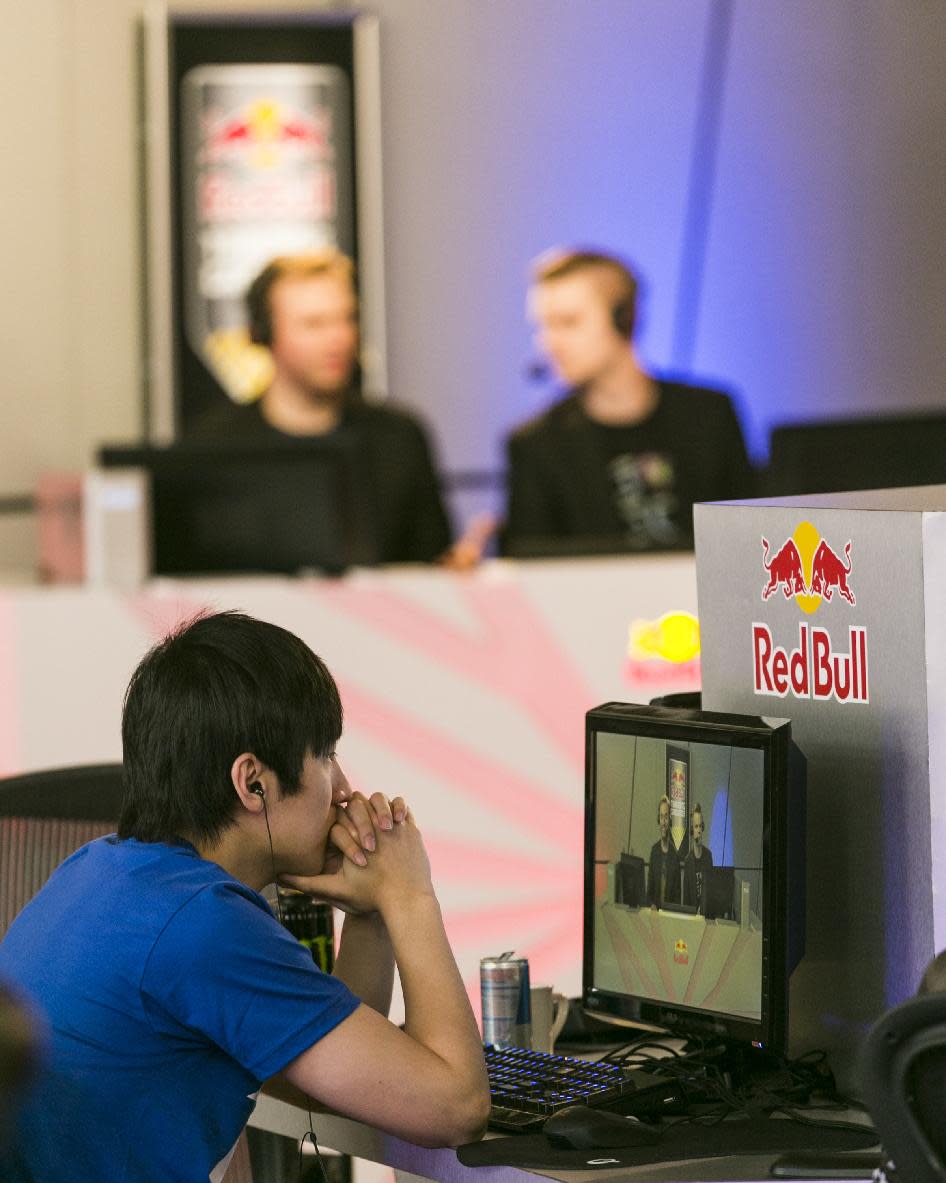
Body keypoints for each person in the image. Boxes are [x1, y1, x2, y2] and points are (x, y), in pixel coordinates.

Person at [0, 611, 489, 1182]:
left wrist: (368, 912)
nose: (344, 788)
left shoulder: (101, 871)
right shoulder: (205, 925)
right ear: (253, 782)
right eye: (325, 754)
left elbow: (336, 1076)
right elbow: (456, 1108)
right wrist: (410, 893)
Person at [193, 249, 457, 566]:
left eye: (347, 318)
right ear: (262, 333)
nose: (339, 338)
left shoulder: (399, 437)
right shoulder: (214, 447)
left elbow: (429, 564)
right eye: (314, 324)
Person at [503, 248, 755, 555]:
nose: (549, 342)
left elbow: (750, 543)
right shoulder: (536, 444)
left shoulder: (709, 416)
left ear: (625, 318)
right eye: (543, 325)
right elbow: (536, 571)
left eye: (568, 322)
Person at [648, 794, 680, 907]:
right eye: (661, 817)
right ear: (658, 820)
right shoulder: (654, 852)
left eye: (666, 817)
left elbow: (677, 897)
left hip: (669, 918)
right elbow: (649, 890)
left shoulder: (675, 856)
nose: (663, 822)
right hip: (654, 916)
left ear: (670, 820)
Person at [682, 802, 714, 914]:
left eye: (701, 826)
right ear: (692, 831)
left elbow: (711, 890)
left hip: (707, 914)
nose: (699, 830)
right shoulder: (688, 861)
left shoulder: (708, 856)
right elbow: (686, 898)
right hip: (693, 917)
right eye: (696, 826)